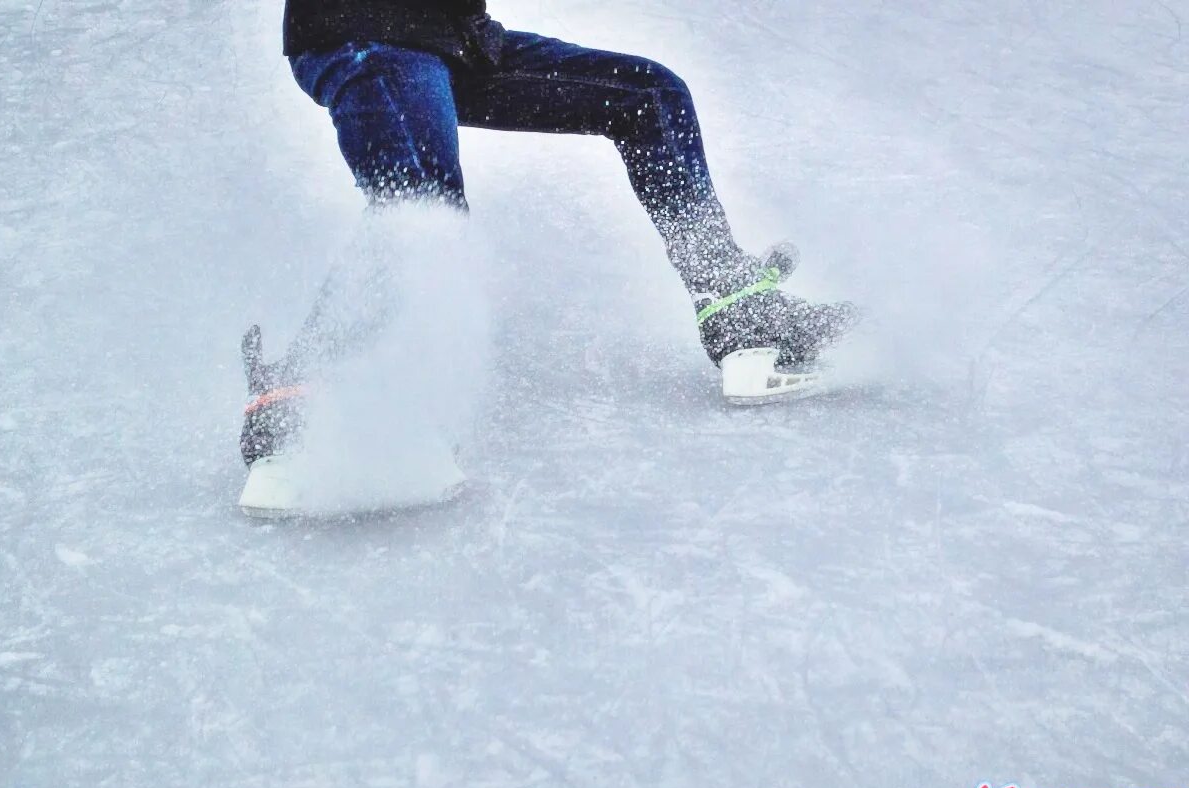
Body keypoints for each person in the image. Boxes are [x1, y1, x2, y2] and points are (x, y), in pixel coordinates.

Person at [240, 0, 858, 468]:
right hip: (365, 33)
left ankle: (735, 305)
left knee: (650, 98)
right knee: (422, 210)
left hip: (455, 38)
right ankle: (298, 397)